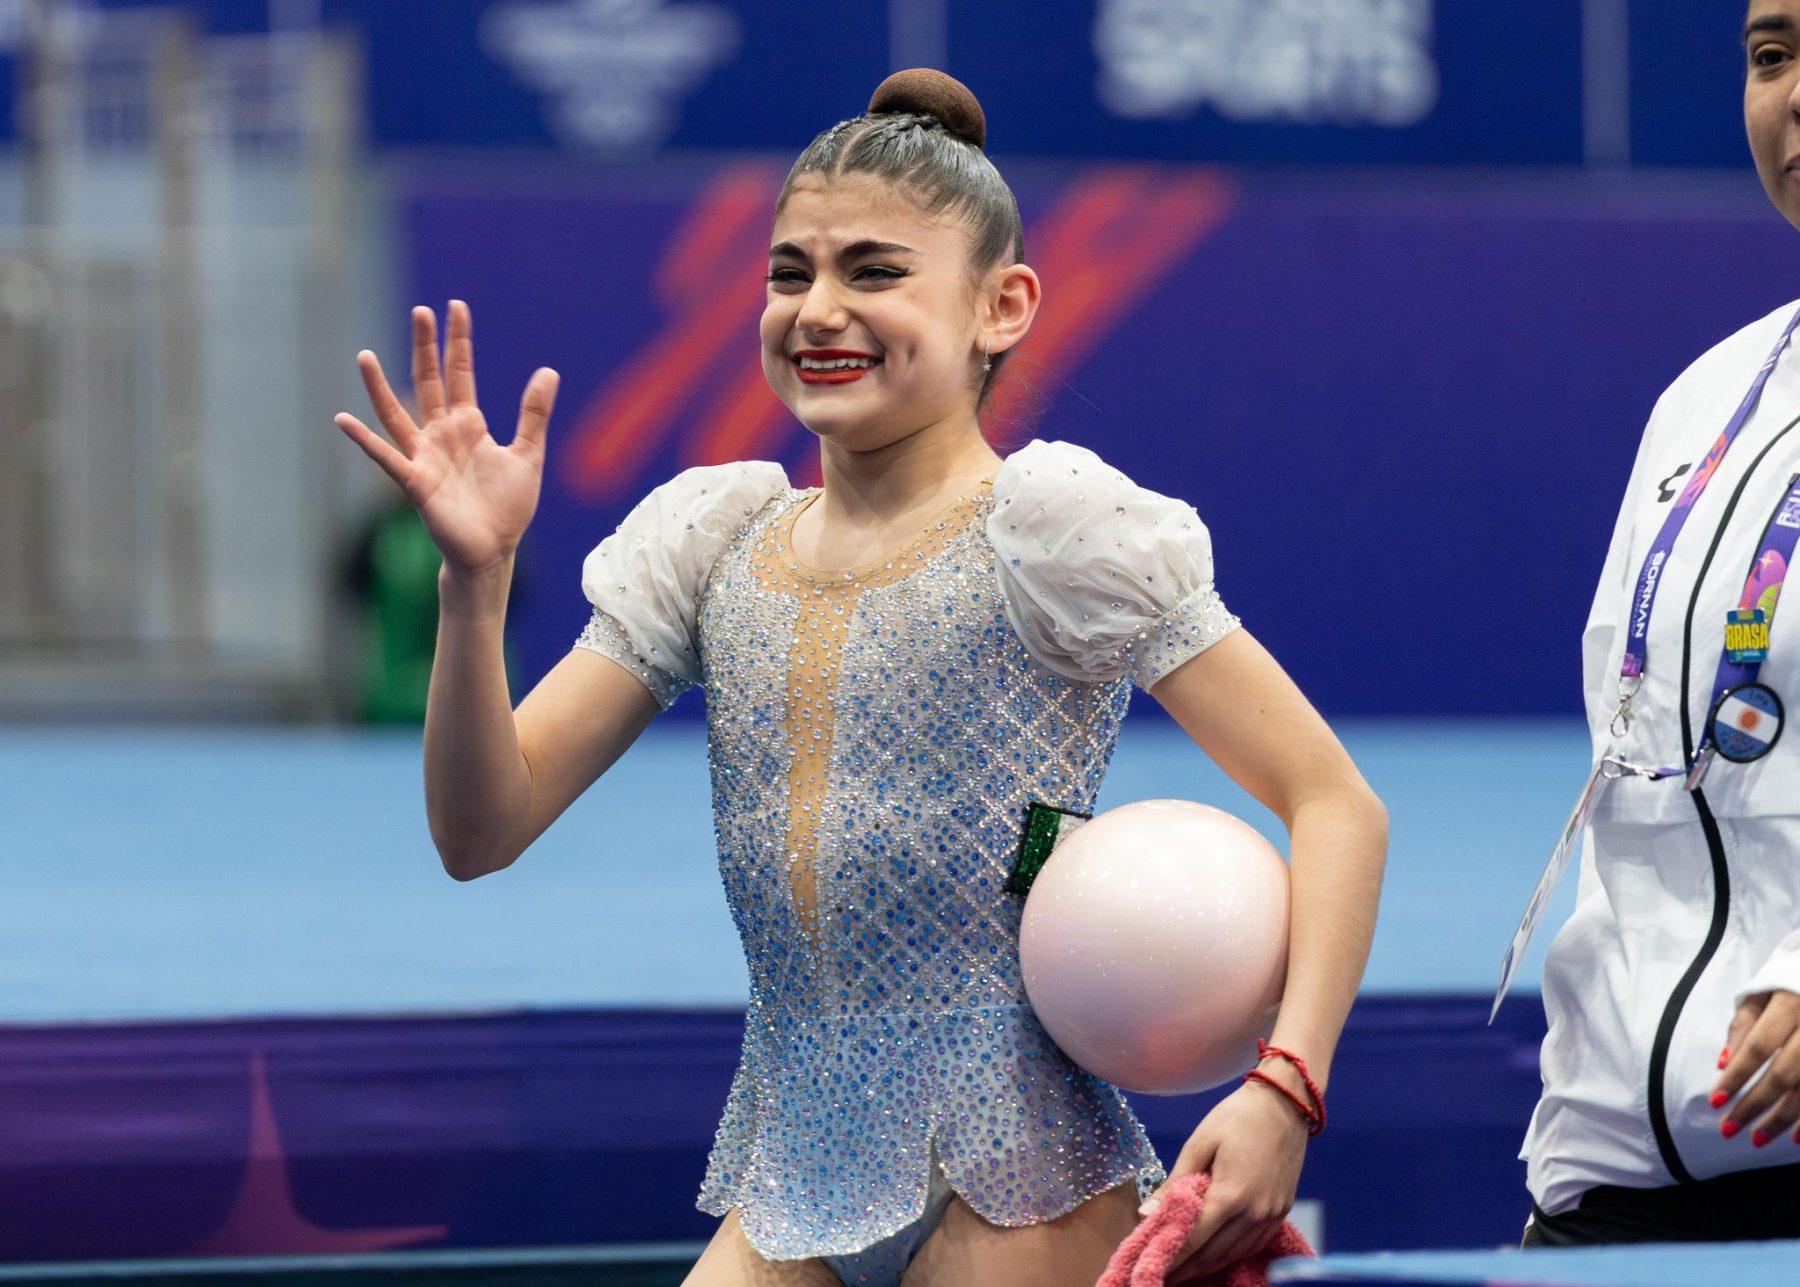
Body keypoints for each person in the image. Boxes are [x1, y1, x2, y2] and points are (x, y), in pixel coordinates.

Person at [335, 69, 1386, 1287]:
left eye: (875, 273)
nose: (820, 311)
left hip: (1020, 1178)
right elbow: (480, 829)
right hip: (792, 1180)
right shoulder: (714, 542)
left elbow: (1335, 802)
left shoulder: (1054, 527)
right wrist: (475, 587)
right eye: (790, 274)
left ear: (1002, 306)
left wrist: (1286, 1087)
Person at [1521, 0, 1800, 1246]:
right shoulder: (1706, 399)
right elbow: (1634, 768)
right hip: (1617, 1175)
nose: (1792, 93)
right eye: (1771, 56)